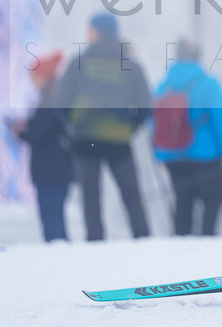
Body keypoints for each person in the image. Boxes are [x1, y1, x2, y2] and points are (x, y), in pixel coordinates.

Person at [54, 13, 151, 240]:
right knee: (131, 195)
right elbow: (146, 106)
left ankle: (95, 240)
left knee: (91, 196)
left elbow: (60, 104)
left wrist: (71, 127)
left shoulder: (78, 62)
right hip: (119, 139)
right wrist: (129, 129)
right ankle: (143, 237)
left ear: (96, 32)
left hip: (84, 139)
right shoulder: (131, 65)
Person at [153, 38, 222, 236]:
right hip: (208, 157)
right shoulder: (209, 84)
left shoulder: (163, 86)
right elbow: (220, 120)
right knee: (213, 202)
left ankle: (181, 247)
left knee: (182, 203)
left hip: (174, 157)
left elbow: (155, 122)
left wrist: (161, 154)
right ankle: (208, 241)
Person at [12, 51, 73, 241]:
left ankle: (58, 255)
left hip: (50, 169)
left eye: (34, 77)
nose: (32, 81)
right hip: (60, 167)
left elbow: (39, 135)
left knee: (51, 218)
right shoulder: (57, 95)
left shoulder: (48, 100)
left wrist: (21, 132)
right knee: (56, 217)